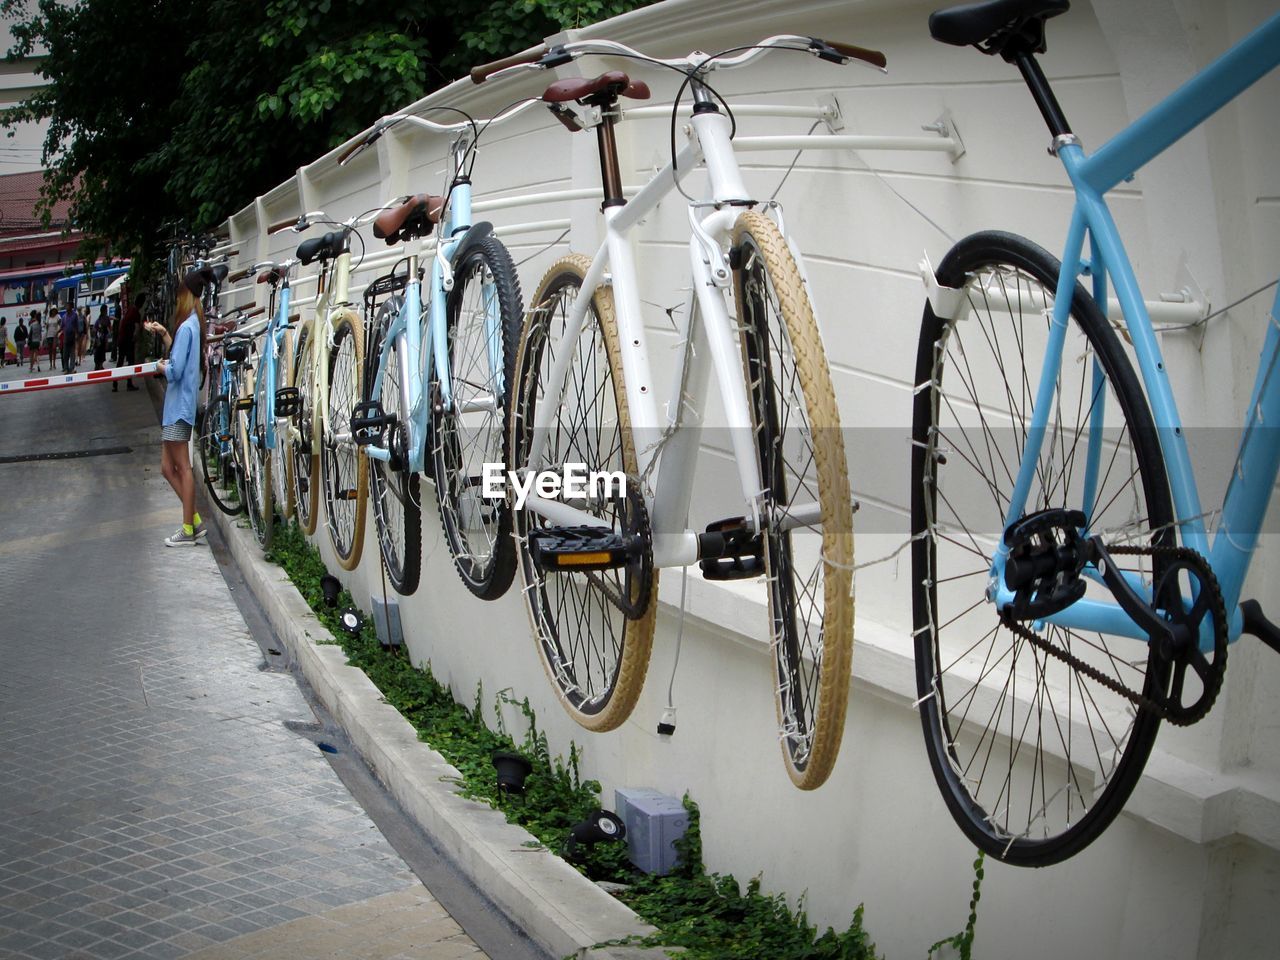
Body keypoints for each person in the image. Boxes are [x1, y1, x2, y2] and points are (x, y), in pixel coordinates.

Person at [146, 270, 207, 546]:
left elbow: (176, 368)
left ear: (186, 296)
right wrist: (165, 336)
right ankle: (193, 521)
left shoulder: (187, 327)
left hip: (178, 406)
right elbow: (181, 357)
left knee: (181, 467)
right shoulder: (193, 325)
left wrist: (161, 367)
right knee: (167, 467)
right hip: (180, 406)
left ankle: (187, 528)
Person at [114, 292, 143, 391]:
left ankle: (115, 383)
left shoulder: (130, 309)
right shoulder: (136, 313)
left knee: (120, 361)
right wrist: (136, 339)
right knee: (130, 362)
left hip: (122, 339)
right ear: (142, 303)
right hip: (128, 341)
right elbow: (136, 329)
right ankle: (129, 384)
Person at [92, 305, 111, 372]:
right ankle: (97, 365)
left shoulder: (107, 318)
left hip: (104, 338)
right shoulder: (99, 320)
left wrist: (108, 337)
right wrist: (96, 334)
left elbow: (109, 328)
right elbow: (94, 328)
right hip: (98, 338)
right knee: (98, 352)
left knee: (102, 352)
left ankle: (100, 365)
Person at [60, 305, 78, 373]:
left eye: (68, 307)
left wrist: (76, 334)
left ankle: (72, 368)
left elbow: (76, 325)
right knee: (65, 354)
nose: (67, 308)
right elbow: (62, 326)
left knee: (72, 353)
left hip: (72, 336)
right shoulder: (64, 317)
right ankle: (66, 368)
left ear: (71, 308)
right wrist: (58, 332)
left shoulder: (74, 315)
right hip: (66, 337)